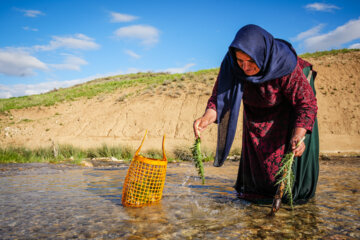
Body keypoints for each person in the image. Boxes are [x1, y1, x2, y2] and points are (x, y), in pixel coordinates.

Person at [193, 24, 319, 204]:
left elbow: (305, 104)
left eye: (250, 61)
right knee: (258, 173)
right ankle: (257, 193)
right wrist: (206, 118)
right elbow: (220, 99)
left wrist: (299, 135)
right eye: (240, 61)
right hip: (255, 114)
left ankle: (291, 196)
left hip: (288, 112)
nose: (245, 67)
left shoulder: (284, 65)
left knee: (288, 157)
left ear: (262, 54)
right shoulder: (231, 65)